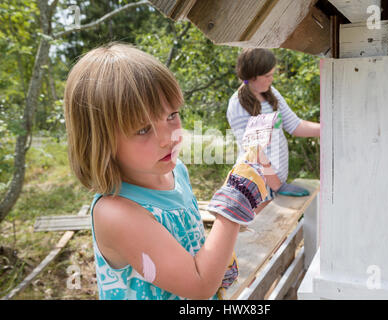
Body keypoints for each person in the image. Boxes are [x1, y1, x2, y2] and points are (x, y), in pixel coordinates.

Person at [63, 43, 269, 300]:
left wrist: (217, 260)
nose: (168, 138)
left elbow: (190, 244)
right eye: (142, 130)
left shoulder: (176, 172)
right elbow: (198, 286)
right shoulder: (115, 212)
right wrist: (233, 205)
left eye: (171, 115)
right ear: (100, 142)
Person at [227, 48, 320, 198]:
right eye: (267, 75)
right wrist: (277, 185)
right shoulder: (237, 106)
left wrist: (328, 130)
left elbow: (295, 125)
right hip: (256, 185)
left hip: (275, 182)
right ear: (252, 77)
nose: (271, 79)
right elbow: (255, 152)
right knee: (264, 222)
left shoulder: (270, 93)